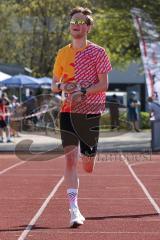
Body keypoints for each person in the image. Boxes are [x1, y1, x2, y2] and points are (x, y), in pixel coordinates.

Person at [51, 6, 112, 228]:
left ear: (88, 26)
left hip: (91, 110)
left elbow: (104, 84)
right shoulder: (61, 53)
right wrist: (62, 86)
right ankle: (74, 209)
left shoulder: (99, 52)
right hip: (67, 110)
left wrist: (83, 92)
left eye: (80, 21)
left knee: (88, 165)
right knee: (69, 159)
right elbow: (54, 87)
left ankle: (91, 153)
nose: (76, 24)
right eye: (73, 21)